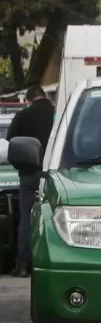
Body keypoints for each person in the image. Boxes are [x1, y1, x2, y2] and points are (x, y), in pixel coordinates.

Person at [6, 86, 55, 278]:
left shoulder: (23, 116)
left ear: (29, 99)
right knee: (56, 217)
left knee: (26, 218)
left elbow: (11, 141)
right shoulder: (58, 113)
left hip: (28, 173)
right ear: (44, 96)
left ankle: (23, 265)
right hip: (55, 174)